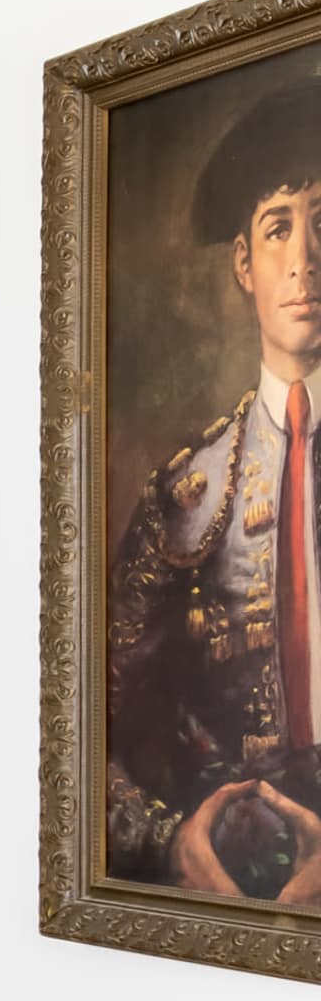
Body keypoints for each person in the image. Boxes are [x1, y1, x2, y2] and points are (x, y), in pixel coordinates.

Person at [106, 78, 321, 902]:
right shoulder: (187, 497)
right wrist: (175, 843)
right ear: (243, 264)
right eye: (278, 229)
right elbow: (91, 732)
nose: (304, 260)